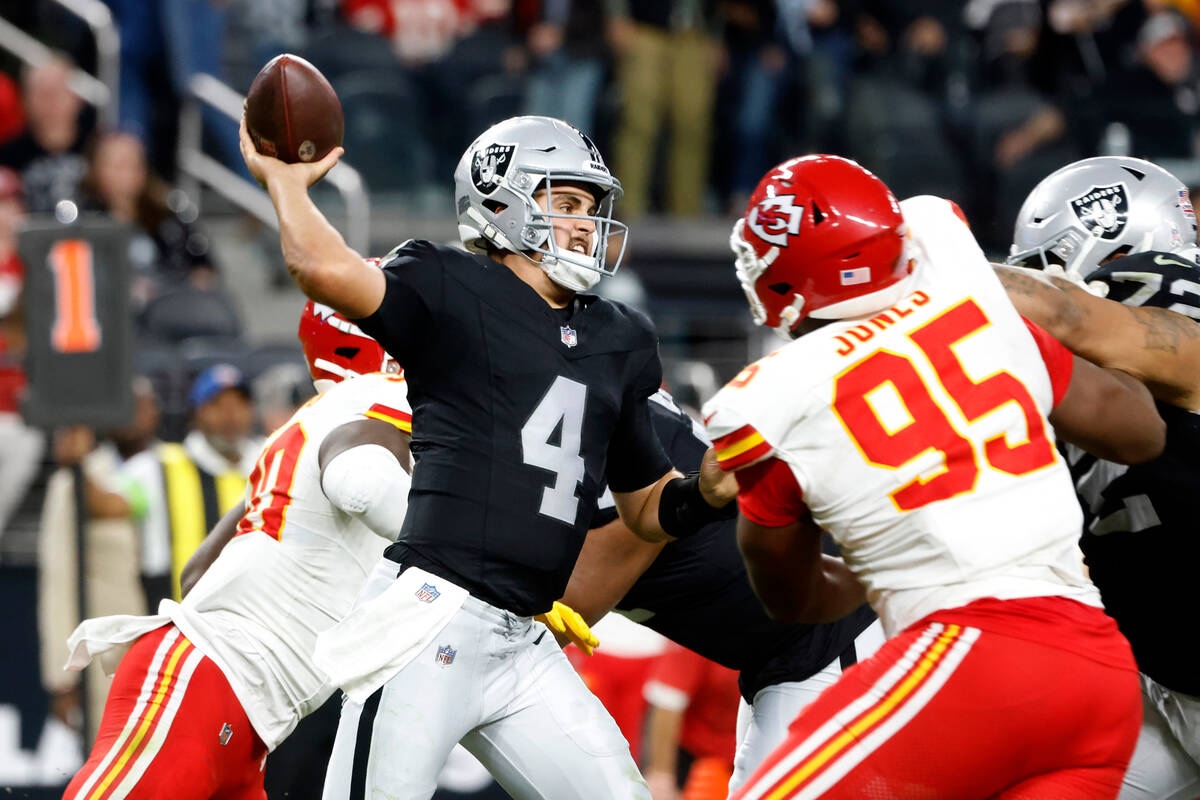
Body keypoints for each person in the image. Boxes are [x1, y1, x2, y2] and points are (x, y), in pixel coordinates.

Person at [240, 113, 737, 800]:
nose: (584, 226)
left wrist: (707, 493)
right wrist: (286, 184)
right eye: (564, 204)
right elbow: (320, 269)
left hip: (524, 640)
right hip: (431, 616)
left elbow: (647, 507)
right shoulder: (452, 285)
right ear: (501, 202)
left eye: (590, 209)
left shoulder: (619, 337)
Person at [703, 155, 1165, 798]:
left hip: (969, 657)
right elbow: (1140, 431)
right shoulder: (971, 300)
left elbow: (794, 597)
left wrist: (889, 561)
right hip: (1097, 674)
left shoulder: (771, 404)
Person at [60, 302, 414, 800]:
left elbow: (198, 572)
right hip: (211, 684)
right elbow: (368, 493)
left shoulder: (310, 427)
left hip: (249, 716)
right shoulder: (377, 404)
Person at [559, 387, 884, 792]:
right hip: (788, 651)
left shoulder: (596, 419)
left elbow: (570, 609)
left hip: (829, 639)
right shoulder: (593, 385)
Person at [999, 155, 1200, 800]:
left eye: (1045, 271)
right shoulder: (1083, 376)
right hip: (1160, 682)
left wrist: (912, 269)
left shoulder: (1175, 327)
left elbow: (1069, 316)